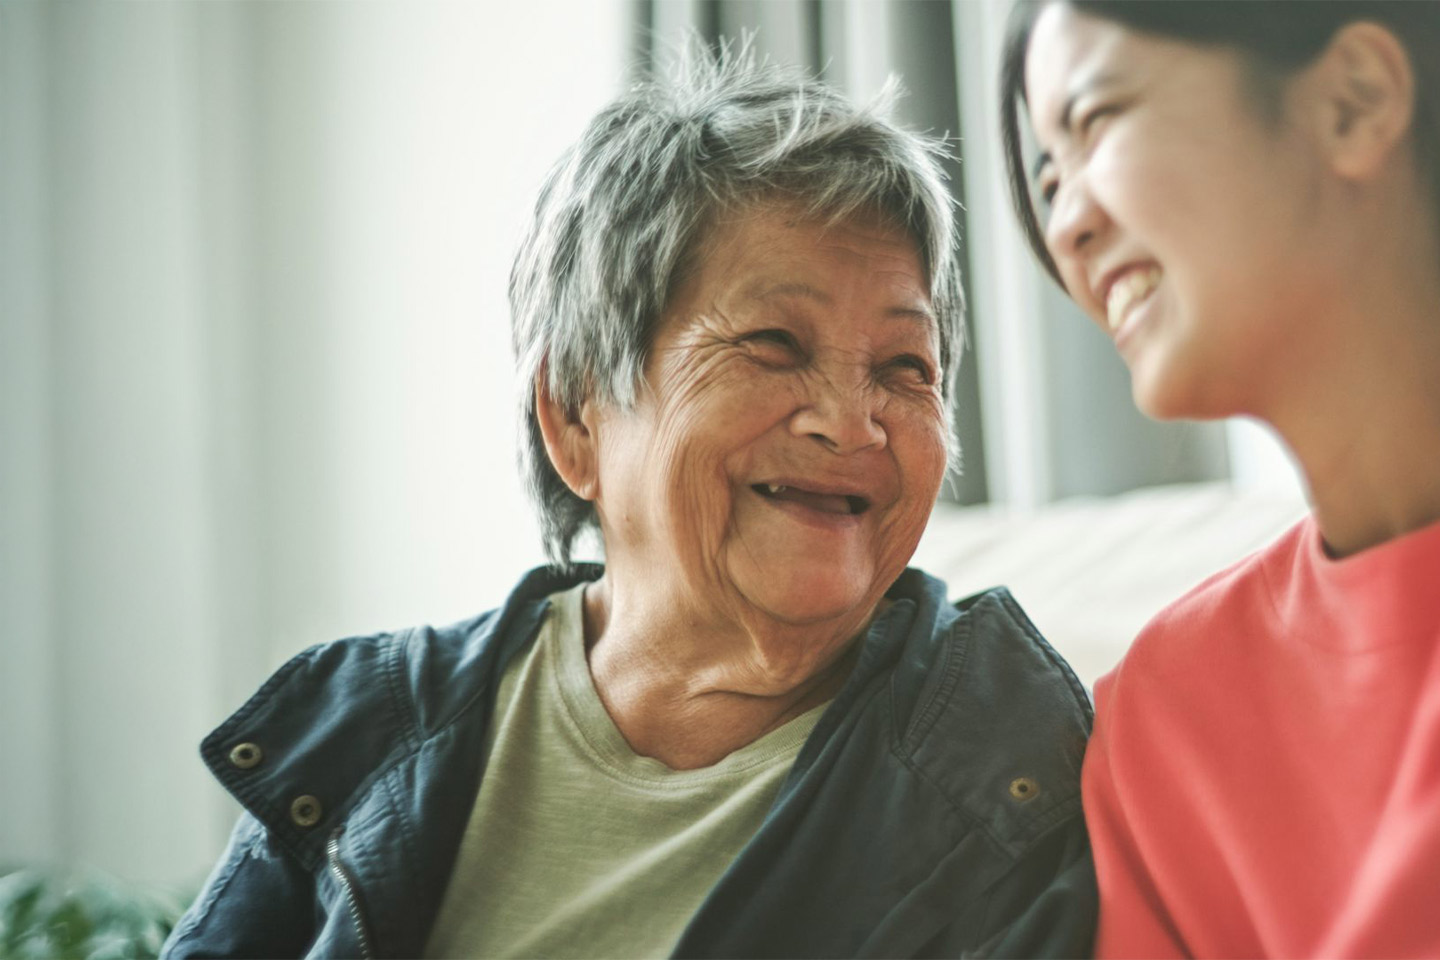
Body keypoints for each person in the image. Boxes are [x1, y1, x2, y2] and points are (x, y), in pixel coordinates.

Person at [162, 44, 1096, 959]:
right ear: (575, 420)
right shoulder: (366, 733)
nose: (852, 426)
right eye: (773, 343)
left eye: (905, 366)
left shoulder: (1012, 768)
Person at [1001, 2, 1440, 956]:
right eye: (1046, 176)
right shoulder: (1161, 714)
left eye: (1098, 119)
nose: (1065, 225)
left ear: (1355, 103)